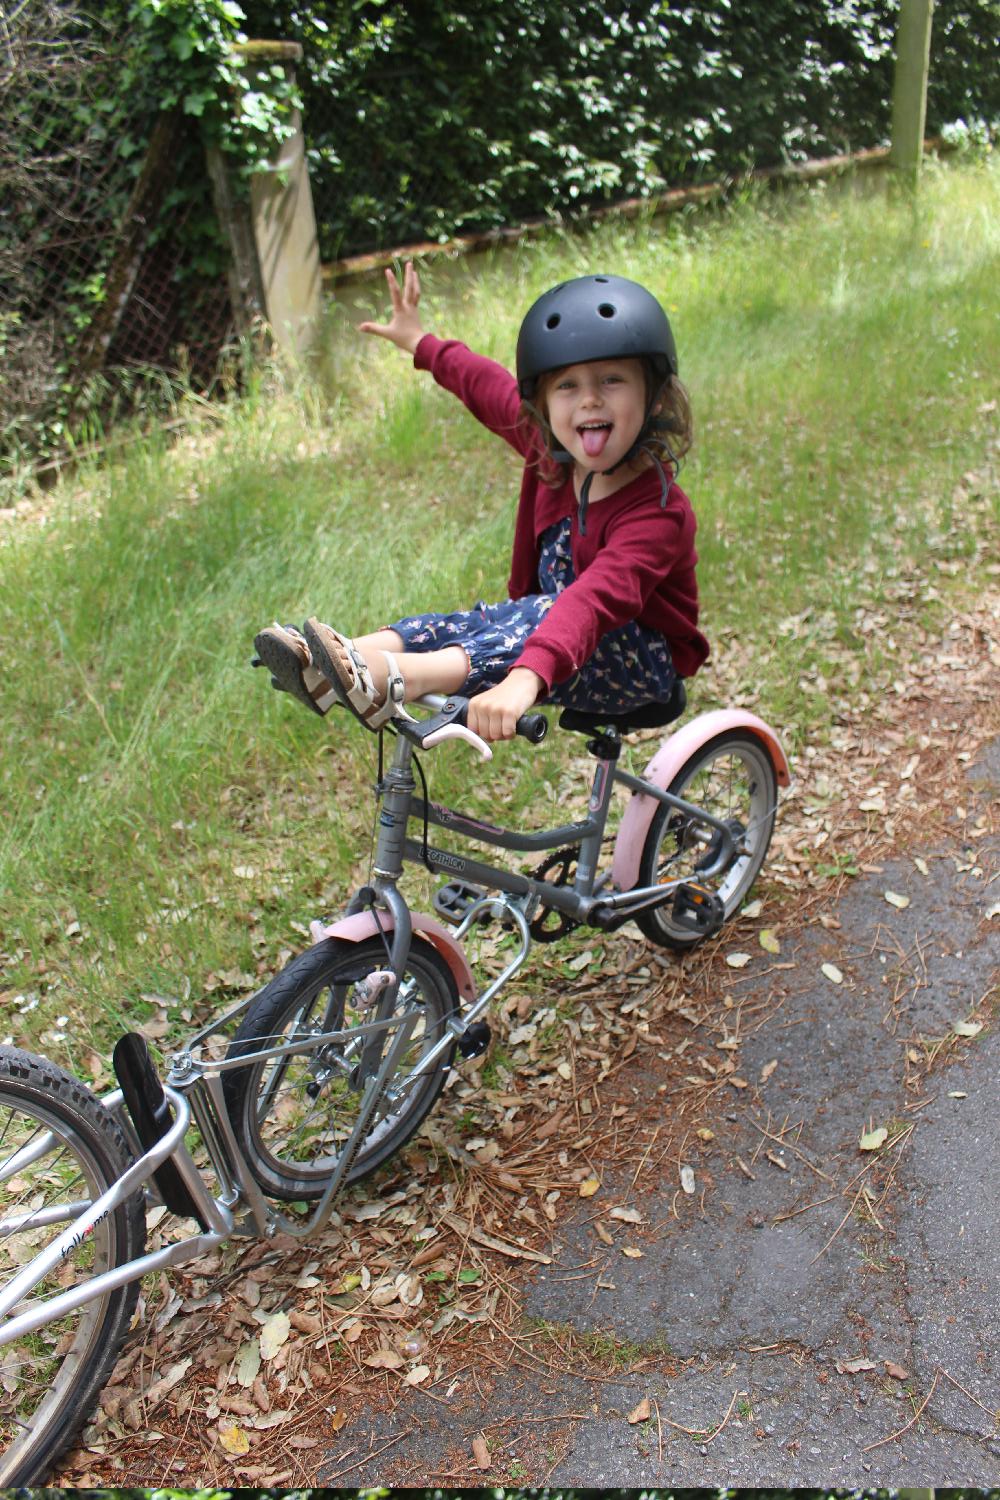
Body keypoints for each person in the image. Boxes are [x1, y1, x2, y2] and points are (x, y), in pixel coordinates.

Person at [254, 263, 709, 742]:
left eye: (612, 379)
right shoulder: (550, 452)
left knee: (539, 615)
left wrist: (523, 680)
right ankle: (331, 661)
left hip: (637, 663)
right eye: (567, 385)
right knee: (476, 620)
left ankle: (396, 677)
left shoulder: (659, 512)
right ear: (544, 404)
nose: (589, 399)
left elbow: (593, 601)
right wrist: (419, 341)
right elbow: (481, 383)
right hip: (545, 630)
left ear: (655, 396)